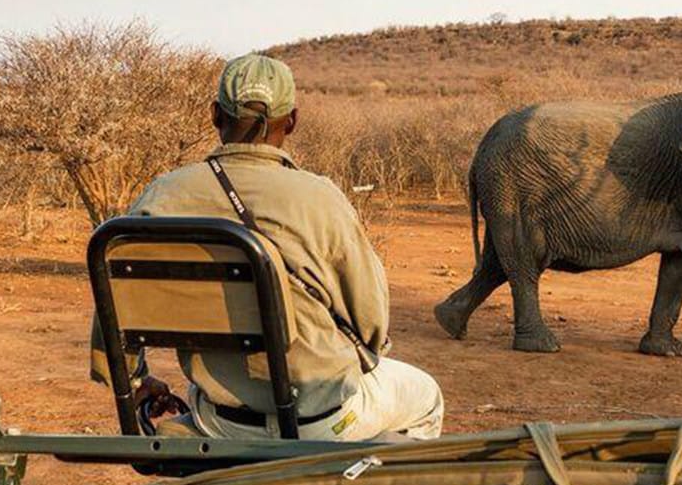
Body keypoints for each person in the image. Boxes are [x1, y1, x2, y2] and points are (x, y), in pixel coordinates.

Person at [90, 53, 444, 441]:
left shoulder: (163, 195)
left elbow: (114, 307)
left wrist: (136, 379)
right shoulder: (320, 198)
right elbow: (372, 321)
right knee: (425, 396)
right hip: (317, 421)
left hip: (221, 420)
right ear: (291, 120)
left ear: (214, 115)